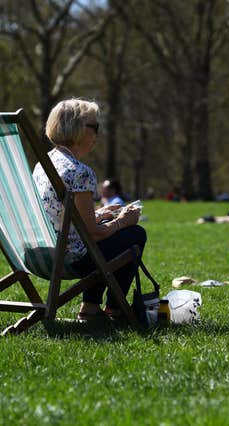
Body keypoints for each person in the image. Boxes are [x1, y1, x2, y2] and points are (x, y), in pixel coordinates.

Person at [32, 98, 146, 320]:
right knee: (134, 234)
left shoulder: (45, 163)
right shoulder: (79, 171)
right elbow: (93, 234)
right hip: (70, 258)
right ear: (77, 129)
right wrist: (124, 220)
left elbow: (60, 214)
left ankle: (91, 309)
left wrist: (101, 215)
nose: (97, 134)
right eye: (94, 127)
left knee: (108, 230)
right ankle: (114, 308)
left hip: (42, 252)